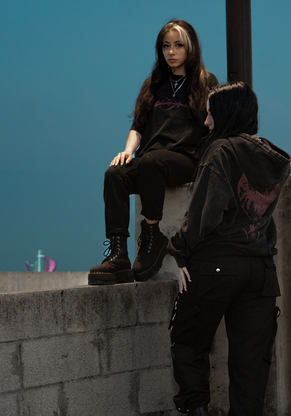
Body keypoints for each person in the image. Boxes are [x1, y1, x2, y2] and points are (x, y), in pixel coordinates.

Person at [167, 82, 291, 415]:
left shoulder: (221, 150)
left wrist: (178, 250)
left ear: (226, 114)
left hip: (217, 264)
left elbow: (203, 214)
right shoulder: (274, 160)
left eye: (211, 114)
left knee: (188, 341)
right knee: (252, 362)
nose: (207, 122)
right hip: (261, 271)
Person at [88, 20, 218, 285]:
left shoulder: (206, 81)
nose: (171, 52)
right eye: (166, 46)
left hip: (186, 159)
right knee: (114, 174)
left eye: (178, 45)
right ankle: (118, 254)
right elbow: (138, 126)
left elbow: (215, 121)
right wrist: (127, 150)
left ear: (190, 48)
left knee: (152, 161)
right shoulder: (153, 84)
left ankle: (152, 235)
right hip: (151, 161)